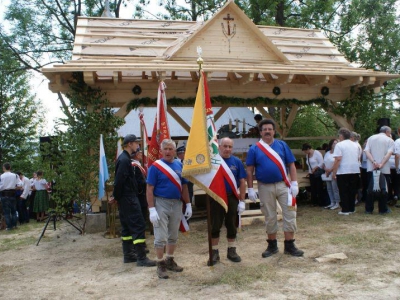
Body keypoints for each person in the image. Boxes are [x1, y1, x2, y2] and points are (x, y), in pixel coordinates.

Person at [246, 119, 304, 257]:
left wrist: (294, 182)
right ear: (260, 132)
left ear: (274, 131)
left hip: (283, 185)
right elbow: (249, 170)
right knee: (270, 216)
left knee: (290, 213)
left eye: (269, 129)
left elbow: (291, 165)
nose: (267, 131)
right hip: (264, 187)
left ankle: (290, 245)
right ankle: (272, 246)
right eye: (264, 129)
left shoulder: (282, 145)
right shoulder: (254, 149)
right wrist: (250, 189)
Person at [146, 139, 192, 279]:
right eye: (165, 149)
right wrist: (151, 209)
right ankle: (161, 265)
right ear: (161, 151)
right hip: (161, 203)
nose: (168, 151)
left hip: (177, 204)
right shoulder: (155, 167)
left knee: (173, 235)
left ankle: (170, 260)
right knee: (160, 236)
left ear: (174, 151)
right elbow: (149, 188)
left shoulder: (179, 165)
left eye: (170, 149)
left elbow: (184, 186)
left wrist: (188, 203)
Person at [112, 134, 156, 267]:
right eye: (136, 143)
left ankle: (129, 255)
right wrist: (116, 196)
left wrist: (117, 197)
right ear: (129, 144)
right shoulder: (125, 160)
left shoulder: (124, 158)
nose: (138, 145)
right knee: (138, 225)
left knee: (126, 227)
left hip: (125, 198)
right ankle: (141, 258)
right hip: (128, 197)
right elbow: (119, 181)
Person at [209, 137, 246, 265]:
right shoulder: (213, 162)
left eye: (230, 146)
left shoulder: (237, 162)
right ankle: (214, 253)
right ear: (219, 147)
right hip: (216, 198)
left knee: (231, 224)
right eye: (225, 146)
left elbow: (242, 181)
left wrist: (242, 200)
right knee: (215, 225)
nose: (227, 149)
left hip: (232, 197)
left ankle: (232, 251)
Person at [364, 126, 394, 214]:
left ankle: (368, 209)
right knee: (384, 189)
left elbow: (367, 151)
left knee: (370, 189)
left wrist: (374, 162)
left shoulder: (371, 138)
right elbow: (389, 153)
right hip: (384, 169)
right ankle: (382, 209)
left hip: (371, 167)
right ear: (387, 132)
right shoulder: (389, 140)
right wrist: (382, 163)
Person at [332, 128, 362, 215]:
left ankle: (345, 209)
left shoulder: (339, 145)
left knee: (343, 190)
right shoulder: (356, 145)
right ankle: (351, 208)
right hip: (355, 170)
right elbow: (358, 158)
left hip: (343, 171)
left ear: (341, 136)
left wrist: (334, 172)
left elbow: (338, 159)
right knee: (352, 190)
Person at [130, 148, 149, 252]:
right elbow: (137, 182)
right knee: (139, 221)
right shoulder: (133, 166)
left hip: (142, 197)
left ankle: (141, 243)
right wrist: (147, 183)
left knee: (142, 221)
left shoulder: (138, 165)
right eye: (140, 153)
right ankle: (138, 245)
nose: (142, 154)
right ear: (136, 154)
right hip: (139, 197)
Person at [0, 163, 22, 230]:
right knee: (13, 211)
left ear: (3, 168)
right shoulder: (15, 175)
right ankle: (14, 225)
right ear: (10, 167)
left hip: (4, 194)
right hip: (12, 194)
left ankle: (9, 226)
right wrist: (14, 188)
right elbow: (20, 185)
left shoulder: (1, 176)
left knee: (6, 212)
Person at [322, 139, 340, 210]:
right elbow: (324, 163)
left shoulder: (337, 154)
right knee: (329, 188)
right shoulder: (327, 153)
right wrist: (326, 169)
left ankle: (337, 203)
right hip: (327, 172)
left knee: (335, 188)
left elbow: (337, 163)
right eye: (334, 143)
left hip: (333, 172)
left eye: (336, 143)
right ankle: (332, 202)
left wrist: (330, 170)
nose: (335, 145)